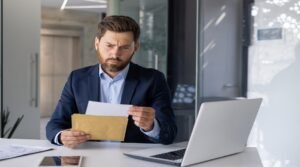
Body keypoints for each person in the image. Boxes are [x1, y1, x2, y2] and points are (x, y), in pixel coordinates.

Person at [46, 15, 177, 148]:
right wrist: (62, 136)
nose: (115, 54)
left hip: (132, 160)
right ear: (97, 43)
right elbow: (55, 125)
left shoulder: (153, 79)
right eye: (109, 45)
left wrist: (151, 126)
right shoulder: (77, 78)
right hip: (89, 156)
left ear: (135, 47)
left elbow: (170, 133)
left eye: (124, 47)